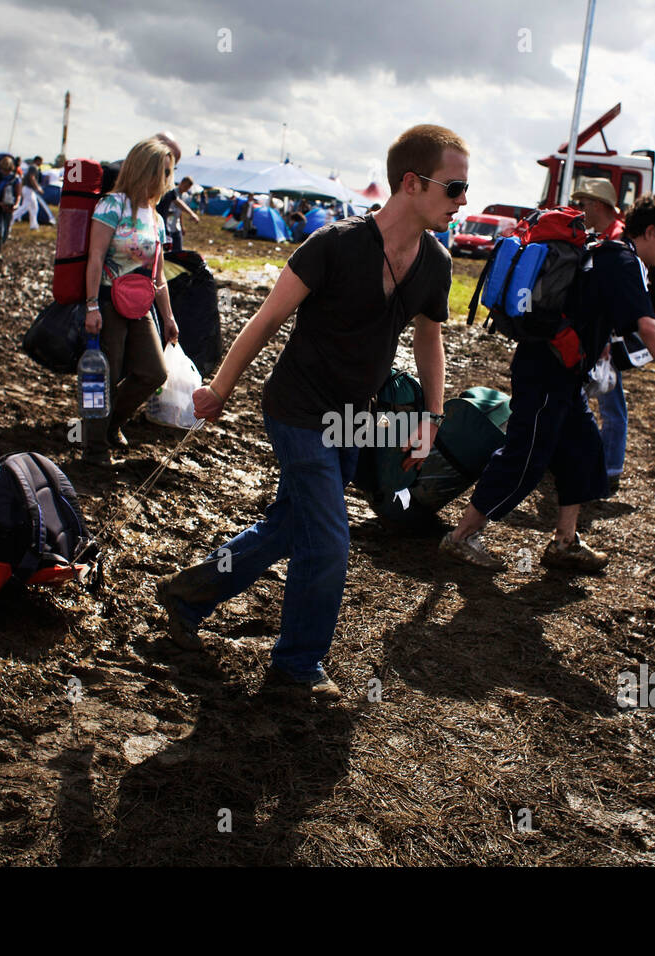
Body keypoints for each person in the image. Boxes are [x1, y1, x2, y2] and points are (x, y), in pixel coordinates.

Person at [155, 124, 464, 702]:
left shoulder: (437, 262)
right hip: (297, 409)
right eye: (455, 187)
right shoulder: (334, 244)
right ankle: (298, 663)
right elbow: (267, 319)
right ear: (411, 183)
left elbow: (430, 341)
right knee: (329, 538)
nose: (463, 200)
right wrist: (220, 387)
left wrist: (433, 417)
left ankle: (187, 594)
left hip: (352, 419)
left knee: (290, 527)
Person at [440, 193, 655, 573]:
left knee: (583, 451)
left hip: (566, 377)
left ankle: (565, 542)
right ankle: (461, 536)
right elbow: (649, 327)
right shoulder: (622, 259)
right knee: (526, 455)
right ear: (650, 231)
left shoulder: (607, 253)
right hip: (546, 374)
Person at [81, 137, 177, 467]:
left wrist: (168, 317)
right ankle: (94, 449)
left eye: (169, 172)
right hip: (108, 300)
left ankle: (109, 425)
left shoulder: (155, 216)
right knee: (103, 377)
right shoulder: (112, 205)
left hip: (141, 304)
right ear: (144, 170)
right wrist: (92, 306)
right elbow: (95, 257)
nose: (167, 179)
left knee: (153, 372)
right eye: (163, 171)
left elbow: (158, 275)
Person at [572, 178, 629, 492]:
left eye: (585, 204)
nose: (582, 210)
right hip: (597, 336)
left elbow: (616, 295)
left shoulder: (617, 239)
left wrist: (607, 338)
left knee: (609, 404)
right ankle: (598, 463)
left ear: (597, 205)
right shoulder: (602, 235)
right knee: (592, 399)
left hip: (606, 339)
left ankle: (609, 468)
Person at [158, 175, 199, 252]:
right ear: (182, 183)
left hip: (176, 226)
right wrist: (191, 213)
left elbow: (180, 212)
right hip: (167, 225)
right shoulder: (171, 192)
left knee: (178, 249)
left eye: (188, 188)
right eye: (186, 186)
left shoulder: (184, 196)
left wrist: (182, 225)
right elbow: (177, 203)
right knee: (167, 250)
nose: (186, 189)